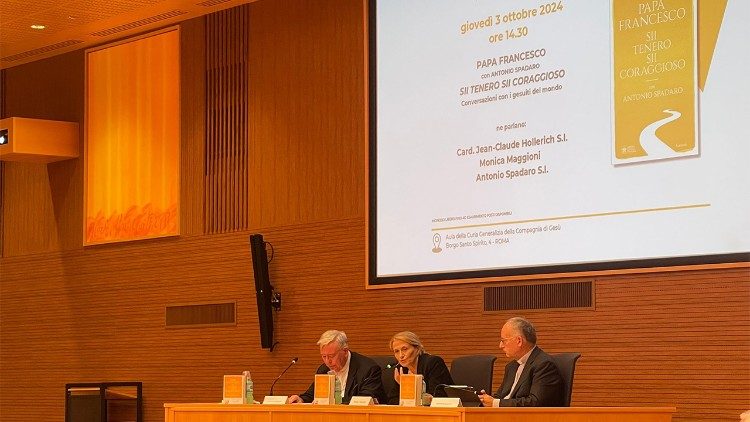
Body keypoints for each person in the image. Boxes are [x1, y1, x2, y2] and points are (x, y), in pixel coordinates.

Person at [479, 317, 564, 407]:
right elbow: (501, 396)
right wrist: (485, 399)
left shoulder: (544, 365)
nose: (500, 346)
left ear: (519, 341)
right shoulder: (511, 367)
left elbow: (535, 403)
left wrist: (495, 403)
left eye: (503, 341)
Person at [287, 330, 386, 404]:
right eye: (324, 356)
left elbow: (364, 401)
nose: (327, 362)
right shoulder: (324, 369)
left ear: (345, 351)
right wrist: (301, 399)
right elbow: (312, 394)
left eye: (331, 356)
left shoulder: (368, 369)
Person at [386, 331, 454, 405]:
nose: (401, 355)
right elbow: (392, 400)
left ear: (417, 348)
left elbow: (437, 398)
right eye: (396, 351)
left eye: (405, 349)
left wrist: (411, 387)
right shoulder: (401, 369)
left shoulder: (433, 363)